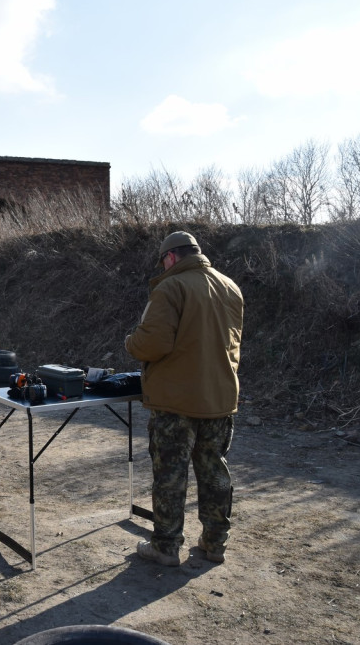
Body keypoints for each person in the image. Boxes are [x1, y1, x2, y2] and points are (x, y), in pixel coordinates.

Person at [124, 231, 244, 566]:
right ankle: (215, 543)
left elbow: (152, 343)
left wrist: (130, 342)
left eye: (163, 260)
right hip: (219, 397)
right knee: (215, 473)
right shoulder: (230, 287)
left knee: (170, 475)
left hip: (177, 402)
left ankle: (165, 547)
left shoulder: (171, 287)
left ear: (171, 258)